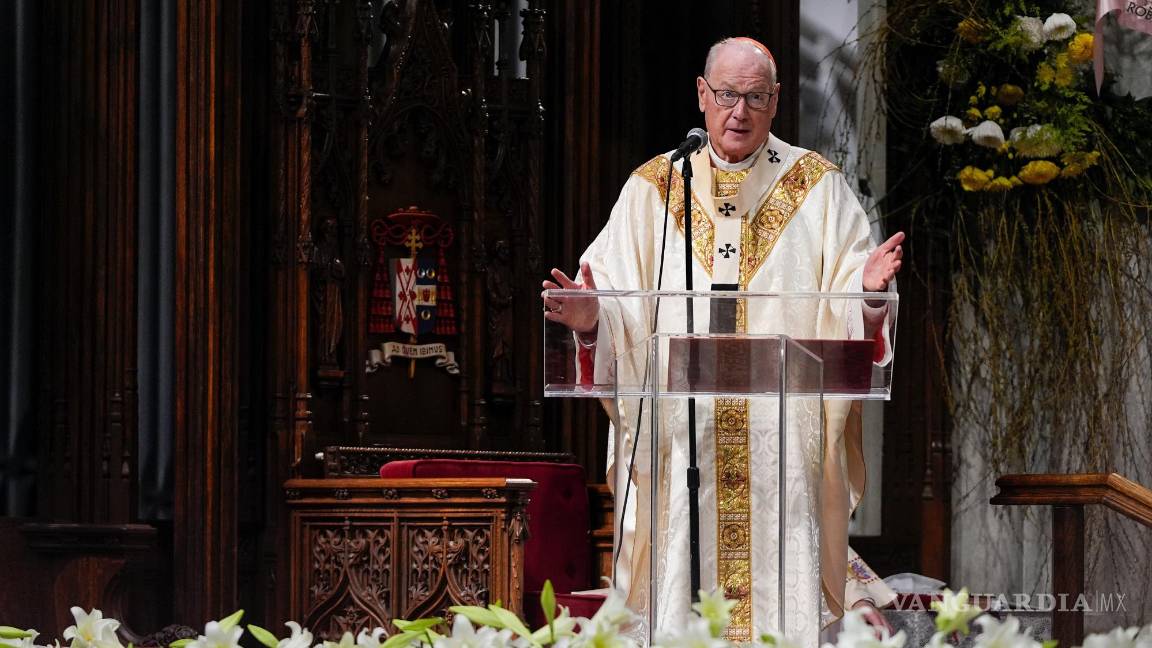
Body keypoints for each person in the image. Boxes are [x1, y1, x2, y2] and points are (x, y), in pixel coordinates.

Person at [542, 37, 903, 645]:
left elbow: (849, 311)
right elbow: (617, 303)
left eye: (756, 97)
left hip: (780, 448)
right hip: (685, 440)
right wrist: (591, 320)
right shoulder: (656, 189)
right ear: (703, 95)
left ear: (777, 100)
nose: (740, 111)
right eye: (729, 95)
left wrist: (865, 296)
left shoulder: (817, 187)